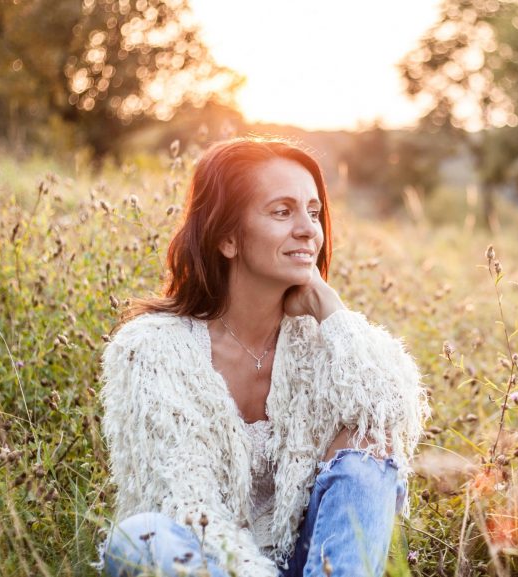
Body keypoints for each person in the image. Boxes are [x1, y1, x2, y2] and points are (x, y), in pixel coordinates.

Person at [98, 137, 429, 577]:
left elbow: (393, 415)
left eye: (313, 212)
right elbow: (186, 507)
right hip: (208, 564)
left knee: (371, 448)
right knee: (141, 538)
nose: (309, 229)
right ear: (228, 238)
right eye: (282, 211)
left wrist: (330, 310)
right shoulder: (153, 350)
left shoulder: (322, 341)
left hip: (317, 565)